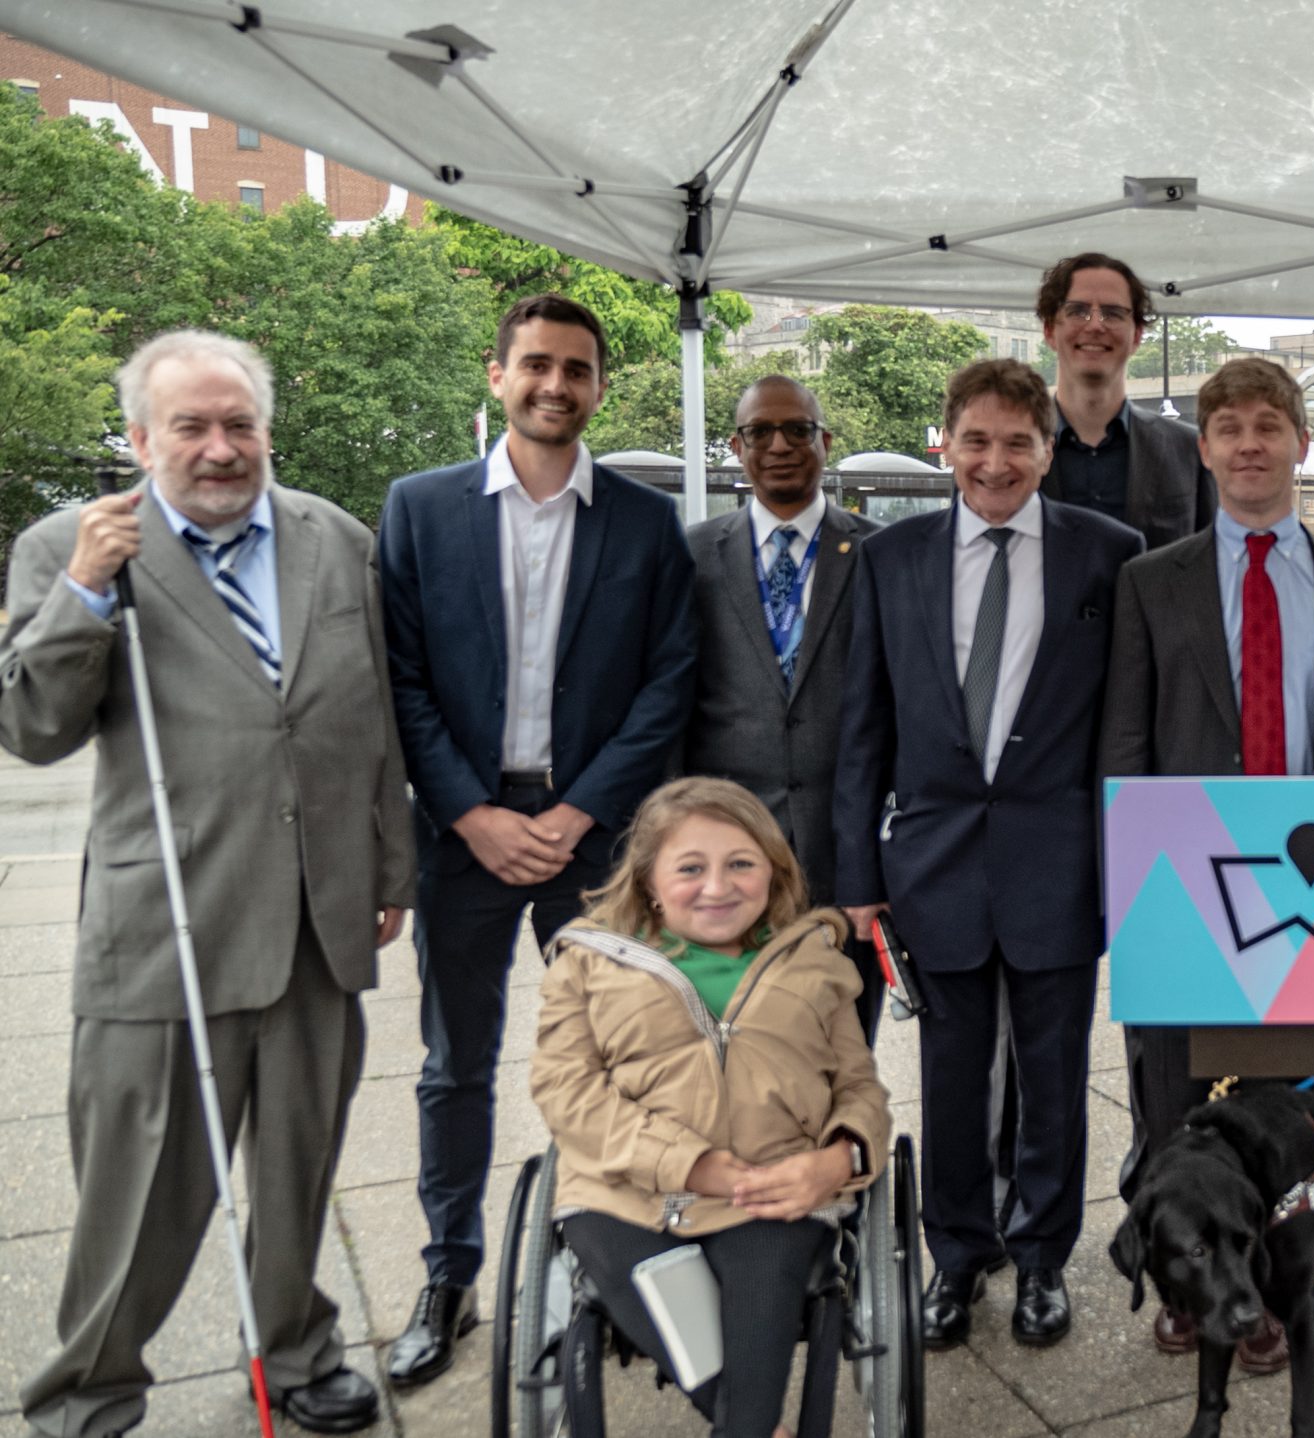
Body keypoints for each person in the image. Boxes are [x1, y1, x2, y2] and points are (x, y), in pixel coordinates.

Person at [2, 330, 412, 1437]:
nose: (221, 448)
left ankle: (291, 1346)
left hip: (318, 918)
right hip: (165, 922)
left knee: (294, 1170)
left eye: (239, 424)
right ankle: (88, 1390)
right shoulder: (72, 546)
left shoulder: (335, 538)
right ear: (140, 438)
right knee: (138, 1189)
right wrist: (86, 592)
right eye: (191, 426)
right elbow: (33, 730)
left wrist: (387, 863)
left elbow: (368, 715)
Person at [377, 293, 698, 1387]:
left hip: (593, 835)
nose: (554, 384)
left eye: (577, 368)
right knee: (453, 1064)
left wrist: (575, 812)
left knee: (616, 1060)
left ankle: (601, 1261)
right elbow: (404, 680)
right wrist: (470, 811)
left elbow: (667, 686)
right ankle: (448, 1272)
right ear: (496, 373)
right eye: (535, 365)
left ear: (600, 385)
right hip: (463, 829)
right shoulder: (419, 511)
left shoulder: (648, 526)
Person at [1099, 355, 1314, 1363]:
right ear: (1205, 448)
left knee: (1290, 1101)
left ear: (1298, 444)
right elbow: (1124, 747)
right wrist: (1125, 888)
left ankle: (1276, 1286)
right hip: (1183, 888)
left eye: (1265, 426)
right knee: (1177, 1100)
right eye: (1225, 427)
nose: (1245, 444)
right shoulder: (1153, 582)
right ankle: (1190, 1290)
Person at [835, 358, 1141, 1350]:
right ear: (947, 445)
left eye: (1019, 441)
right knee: (952, 1073)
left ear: (1049, 450)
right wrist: (856, 882)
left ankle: (1044, 1257)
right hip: (936, 866)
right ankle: (958, 1254)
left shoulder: (1109, 554)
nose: (997, 461)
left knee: (1053, 1075)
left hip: (1060, 860)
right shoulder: (889, 559)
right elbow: (862, 730)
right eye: (977, 440)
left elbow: (1122, 727)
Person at [531, 776, 890, 1438]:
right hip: (627, 1195)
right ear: (648, 882)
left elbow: (861, 1090)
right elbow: (565, 1091)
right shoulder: (587, 961)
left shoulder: (816, 959)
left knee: (751, 1396)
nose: (718, 887)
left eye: (741, 864)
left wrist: (836, 1163)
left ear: (772, 871)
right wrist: (691, 1166)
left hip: (770, 1190)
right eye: (691, 868)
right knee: (737, 1400)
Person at [683, 374, 879, 1025]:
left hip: (847, 861)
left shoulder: (882, 554)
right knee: (735, 1060)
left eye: (796, 429)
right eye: (758, 431)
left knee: (843, 1054)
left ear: (824, 441)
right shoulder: (691, 558)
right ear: (737, 448)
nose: (778, 444)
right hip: (727, 863)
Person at [1038, 251, 1216, 549]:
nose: (1095, 325)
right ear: (1049, 330)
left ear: (1137, 335)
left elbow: (1207, 569)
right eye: (1077, 311)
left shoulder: (1188, 451)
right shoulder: (1007, 450)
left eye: (1113, 313)